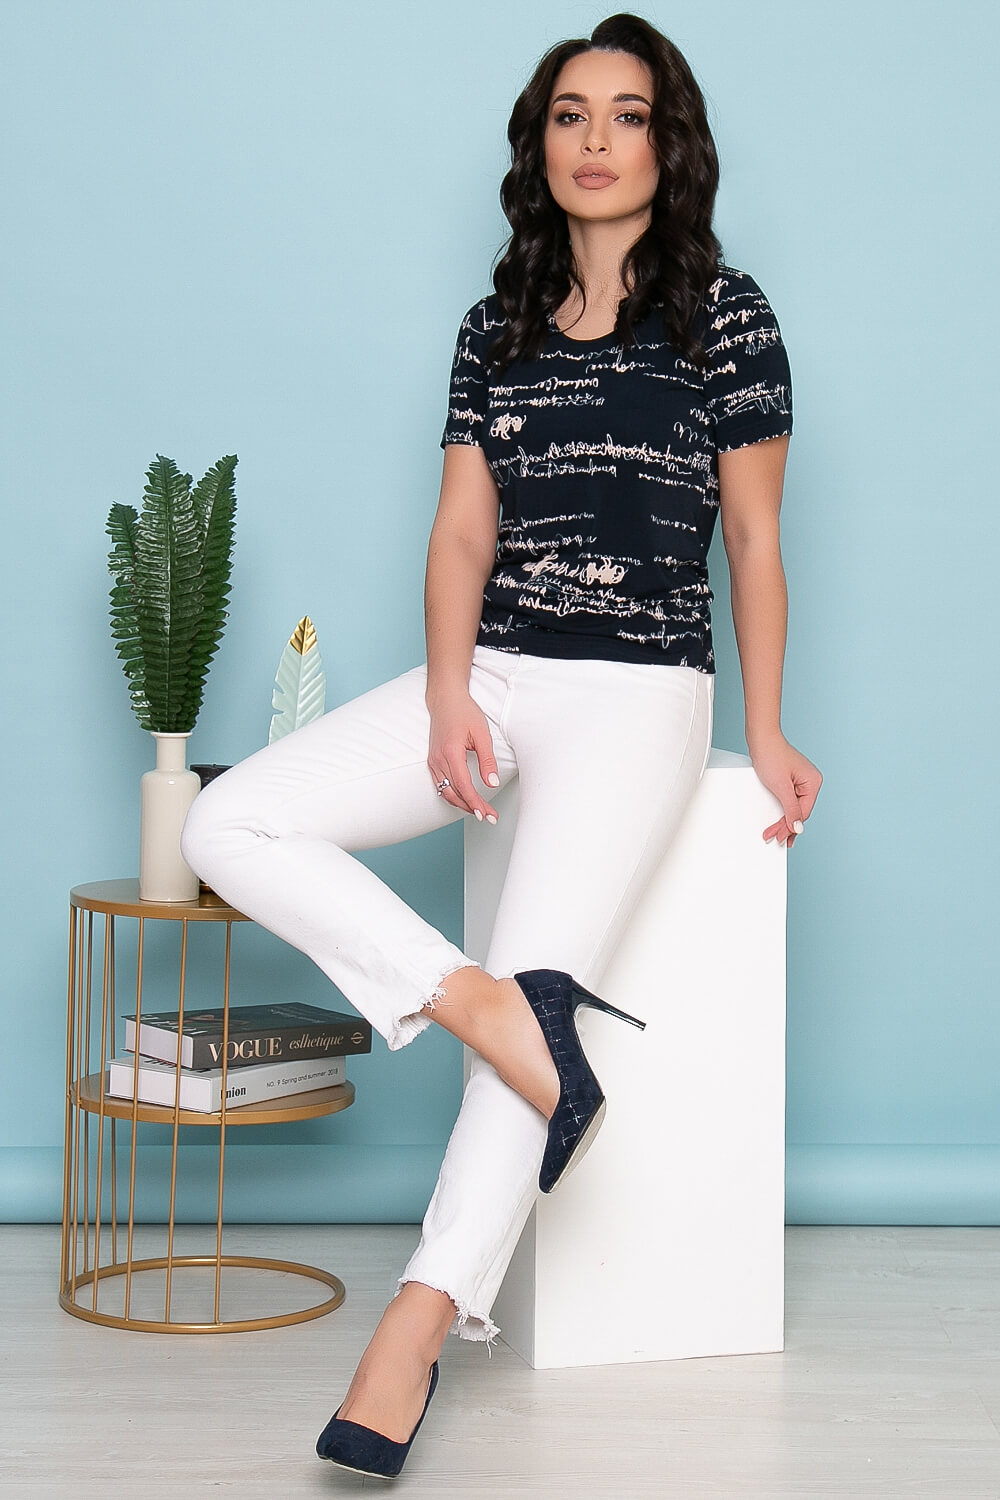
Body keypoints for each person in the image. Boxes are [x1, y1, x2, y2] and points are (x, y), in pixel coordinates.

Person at [180, 10, 823, 1481]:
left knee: (530, 1013)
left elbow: (754, 537)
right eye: (570, 115)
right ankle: (480, 1006)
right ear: (539, 147)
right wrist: (449, 692)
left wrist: (767, 727)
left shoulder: (727, 316)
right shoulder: (497, 325)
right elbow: (463, 530)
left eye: (628, 115)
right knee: (231, 824)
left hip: (640, 689)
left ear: (669, 145)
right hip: (499, 671)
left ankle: (411, 1334)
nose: (597, 141)